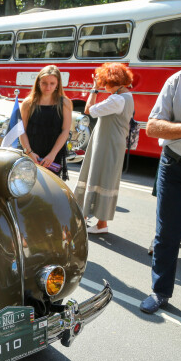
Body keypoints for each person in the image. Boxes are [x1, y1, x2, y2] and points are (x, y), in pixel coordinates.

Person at [139, 68, 181, 314]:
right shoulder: (176, 81)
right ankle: (160, 292)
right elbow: (153, 127)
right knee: (167, 234)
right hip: (174, 165)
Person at [74, 63, 134, 235]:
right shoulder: (126, 95)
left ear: (111, 80)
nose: (103, 85)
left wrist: (94, 89)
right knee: (105, 179)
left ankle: (88, 219)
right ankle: (101, 222)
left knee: (96, 176)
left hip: (107, 143)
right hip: (112, 141)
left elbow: (88, 110)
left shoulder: (117, 99)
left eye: (103, 81)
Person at [18, 65, 72, 180]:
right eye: (44, 83)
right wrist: (29, 152)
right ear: (38, 82)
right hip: (31, 151)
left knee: (51, 188)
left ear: (58, 84)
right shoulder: (28, 103)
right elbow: (21, 130)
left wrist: (52, 155)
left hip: (53, 153)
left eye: (52, 83)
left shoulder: (65, 103)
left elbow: (65, 130)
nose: (48, 87)